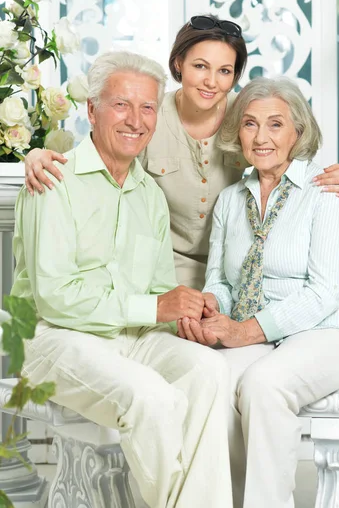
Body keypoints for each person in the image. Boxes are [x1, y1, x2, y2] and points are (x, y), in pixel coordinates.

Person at [11, 51, 233, 508]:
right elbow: (54, 298)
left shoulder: (149, 194)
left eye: (148, 107)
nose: (136, 120)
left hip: (131, 336)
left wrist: (187, 314)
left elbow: (156, 292)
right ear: (91, 110)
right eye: (121, 105)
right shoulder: (53, 178)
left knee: (210, 371)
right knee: (152, 397)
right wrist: (155, 308)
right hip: (53, 337)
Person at [24, 15, 339, 290]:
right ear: (179, 63)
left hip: (234, 270)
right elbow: (103, 149)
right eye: (201, 66)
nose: (211, 81)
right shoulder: (148, 115)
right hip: (162, 272)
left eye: (225, 71)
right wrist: (35, 155)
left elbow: (287, 156)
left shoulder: (247, 119)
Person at [177, 77, 339, 508]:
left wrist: (244, 331)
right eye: (249, 124)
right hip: (265, 336)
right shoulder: (230, 200)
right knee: (215, 379)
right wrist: (214, 312)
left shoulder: (327, 194)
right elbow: (219, 281)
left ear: (297, 133)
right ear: (238, 133)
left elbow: (324, 294)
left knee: (265, 384)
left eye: (275, 124)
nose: (261, 136)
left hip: (332, 333)